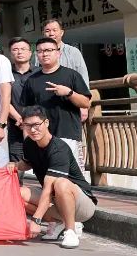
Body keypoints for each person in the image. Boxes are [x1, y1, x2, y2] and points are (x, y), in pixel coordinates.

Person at [10, 105, 97, 249]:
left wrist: (36, 220)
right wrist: (15, 165)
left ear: (46, 123)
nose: (33, 130)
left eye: (36, 125)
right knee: (17, 193)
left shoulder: (58, 148)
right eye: (27, 125)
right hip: (56, 200)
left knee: (61, 183)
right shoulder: (29, 143)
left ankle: (70, 231)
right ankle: (57, 222)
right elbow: (28, 163)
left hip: (82, 205)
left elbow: (48, 190)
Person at [22, 37, 91, 166]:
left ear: (58, 53)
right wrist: (28, 137)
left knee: (72, 173)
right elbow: (27, 111)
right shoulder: (31, 80)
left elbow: (85, 103)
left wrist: (69, 93)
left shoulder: (72, 75)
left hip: (68, 133)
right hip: (42, 136)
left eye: (49, 50)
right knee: (47, 173)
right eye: (40, 51)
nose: (44, 54)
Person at [6, 38, 36, 163]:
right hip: (15, 126)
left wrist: (30, 121)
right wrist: (19, 118)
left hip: (38, 126)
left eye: (23, 49)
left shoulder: (39, 73)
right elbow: (3, 99)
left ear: (30, 52)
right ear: (10, 53)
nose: (19, 52)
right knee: (17, 166)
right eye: (15, 49)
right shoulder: (5, 73)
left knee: (42, 163)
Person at [43, 19, 90, 86]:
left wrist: (84, 91)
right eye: (47, 31)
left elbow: (83, 77)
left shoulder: (73, 52)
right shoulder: (38, 54)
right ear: (43, 33)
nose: (51, 34)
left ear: (61, 33)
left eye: (54, 30)